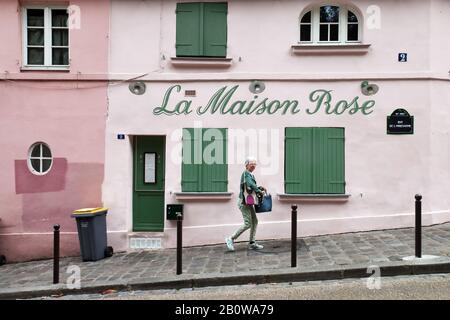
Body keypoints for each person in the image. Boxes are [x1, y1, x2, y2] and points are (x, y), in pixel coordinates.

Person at [225, 156, 265, 251]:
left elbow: (250, 186)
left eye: (255, 164)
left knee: (255, 221)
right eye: (252, 164)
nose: (254, 166)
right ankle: (230, 239)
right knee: (248, 223)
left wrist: (259, 188)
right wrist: (259, 191)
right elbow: (250, 184)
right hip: (243, 202)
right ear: (246, 165)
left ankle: (252, 242)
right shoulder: (246, 174)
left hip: (248, 202)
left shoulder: (250, 175)